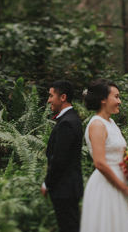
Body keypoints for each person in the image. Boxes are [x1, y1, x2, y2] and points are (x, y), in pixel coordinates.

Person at [80, 79, 128, 232]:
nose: (119, 101)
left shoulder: (111, 123)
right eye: (116, 97)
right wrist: (124, 189)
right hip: (106, 186)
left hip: (119, 183)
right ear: (103, 99)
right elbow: (99, 163)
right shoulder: (97, 125)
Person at [42, 80, 84, 232]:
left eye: (51, 95)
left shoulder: (67, 122)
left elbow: (60, 160)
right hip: (68, 187)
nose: (48, 100)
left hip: (64, 188)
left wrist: (47, 183)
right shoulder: (72, 119)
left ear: (63, 97)